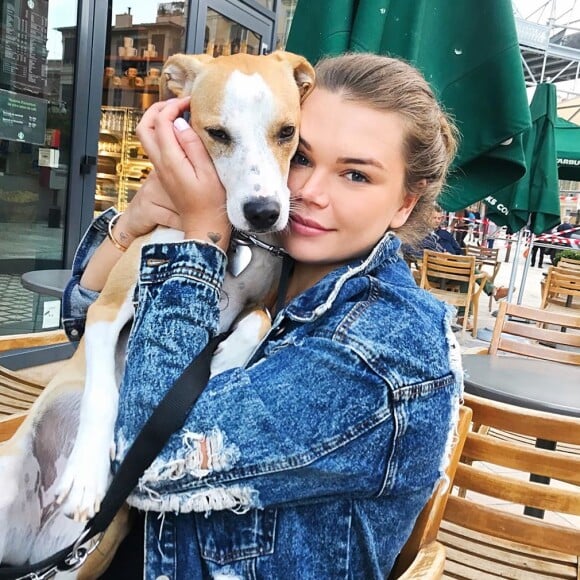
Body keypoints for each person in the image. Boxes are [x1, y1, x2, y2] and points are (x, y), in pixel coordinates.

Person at [62, 53, 463, 579]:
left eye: (357, 175)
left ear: (404, 205)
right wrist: (133, 223)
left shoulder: (384, 343)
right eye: (299, 156)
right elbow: (84, 320)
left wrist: (200, 235)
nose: (307, 194)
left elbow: (150, 459)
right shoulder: (270, 259)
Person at [405, 207, 509, 303]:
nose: (437, 220)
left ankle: (464, 315)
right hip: (433, 272)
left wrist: (448, 256)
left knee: (468, 273)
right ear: (426, 218)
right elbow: (415, 253)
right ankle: (492, 291)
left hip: (449, 267)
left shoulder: (441, 235)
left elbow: (455, 249)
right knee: (470, 271)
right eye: (434, 218)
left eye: (439, 218)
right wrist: (442, 256)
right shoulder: (422, 236)